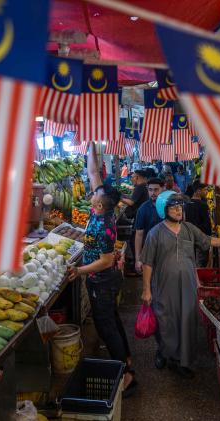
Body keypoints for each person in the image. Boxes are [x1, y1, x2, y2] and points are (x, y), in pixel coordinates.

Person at [68, 141, 137, 396]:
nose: (92, 192)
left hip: (103, 280)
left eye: (95, 194)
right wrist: (91, 144)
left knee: (105, 325)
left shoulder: (104, 226)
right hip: (101, 279)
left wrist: (81, 271)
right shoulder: (103, 207)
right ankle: (126, 358)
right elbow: (93, 172)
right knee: (112, 319)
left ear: (99, 204)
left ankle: (128, 375)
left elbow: (107, 260)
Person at [141, 191, 220, 378]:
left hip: (188, 285)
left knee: (187, 321)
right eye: (174, 207)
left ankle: (182, 361)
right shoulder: (155, 234)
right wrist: (146, 290)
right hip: (164, 287)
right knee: (166, 321)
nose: (178, 210)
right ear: (164, 210)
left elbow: (209, 241)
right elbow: (147, 262)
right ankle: (164, 352)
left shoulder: (189, 229)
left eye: (180, 207)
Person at [134, 178, 165, 274]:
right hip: (149, 252)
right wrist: (138, 259)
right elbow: (139, 234)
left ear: (162, 189)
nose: (153, 193)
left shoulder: (169, 207)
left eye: (156, 190)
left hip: (167, 251)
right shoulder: (143, 209)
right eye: (150, 190)